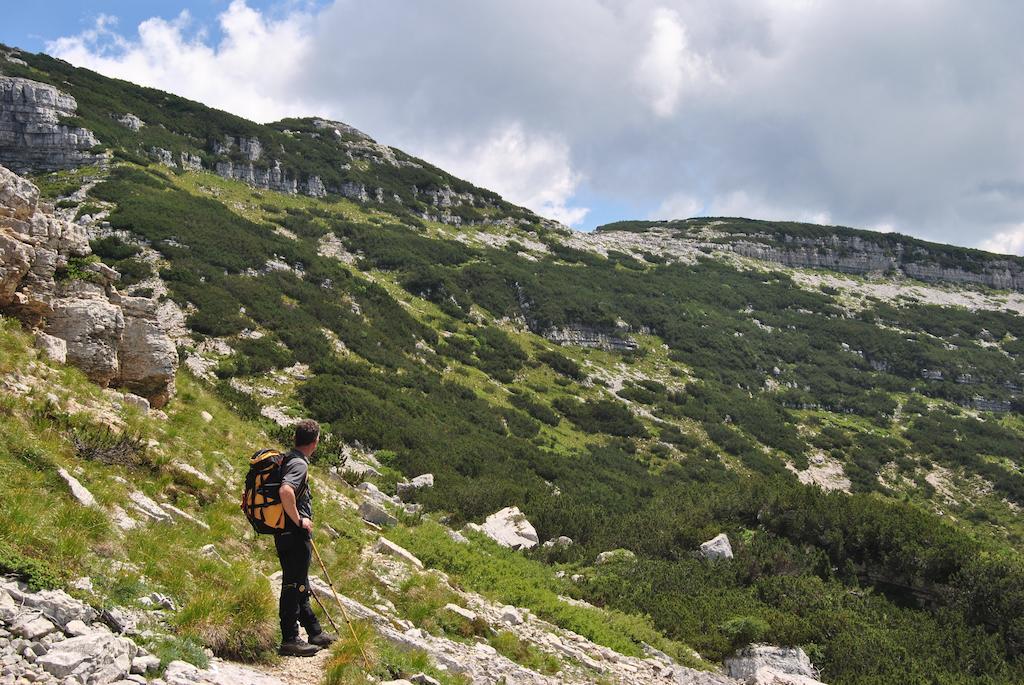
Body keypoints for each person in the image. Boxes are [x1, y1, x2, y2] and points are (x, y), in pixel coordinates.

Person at [275, 419, 336, 656]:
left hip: (286, 532)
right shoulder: (299, 464)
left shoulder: (289, 458)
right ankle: (290, 638)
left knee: (301, 582)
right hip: (293, 533)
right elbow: (285, 490)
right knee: (292, 584)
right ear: (315, 442)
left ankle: (314, 631)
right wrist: (300, 520)